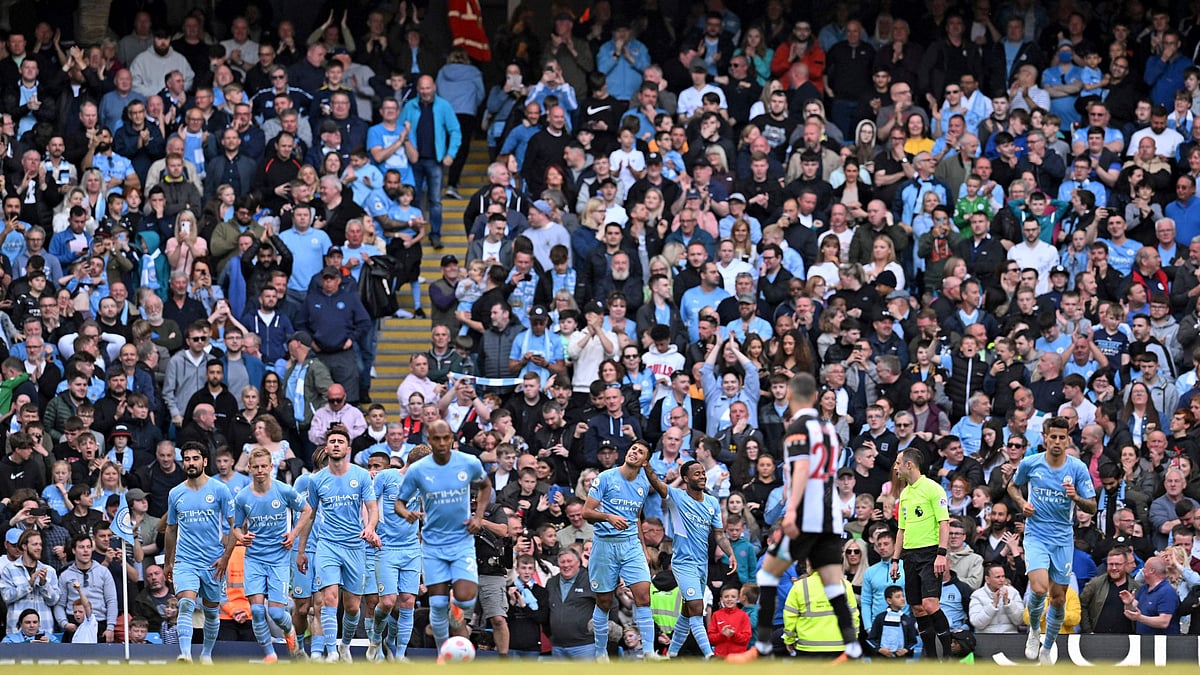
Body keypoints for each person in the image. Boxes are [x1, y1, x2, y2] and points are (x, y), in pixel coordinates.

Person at [728, 373, 860, 663]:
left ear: (789, 396)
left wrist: (791, 511)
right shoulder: (827, 429)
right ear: (815, 397)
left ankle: (761, 645)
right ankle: (851, 646)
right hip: (830, 519)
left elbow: (801, 470)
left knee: (767, 573)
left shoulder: (798, 428)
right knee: (832, 582)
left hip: (807, 518)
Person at [394, 420, 490, 649]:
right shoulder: (418, 470)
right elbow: (399, 501)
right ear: (429, 439)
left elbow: (486, 486)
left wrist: (478, 517)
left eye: (446, 437)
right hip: (433, 545)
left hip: (461, 540)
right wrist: (405, 512)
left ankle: (455, 614)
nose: (442, 442)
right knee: (436, 605)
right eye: (436, 439)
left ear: (452, 439)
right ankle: (442, 652)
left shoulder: (468, 462)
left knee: (467, 597)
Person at [1008, 415, 1097, 663]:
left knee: (1058, 598)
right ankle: (1035, 629)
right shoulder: (1030, 463)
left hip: (1063, 537)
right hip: (1036, 534)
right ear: (1045, 438)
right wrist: (1022, 503)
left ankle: (1047, 647)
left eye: (1062, 437)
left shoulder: (1077, 468)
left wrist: (1076, 498)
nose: (1057, 442)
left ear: (1068, 440)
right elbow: (1012, 487)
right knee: (1038, 587)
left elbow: (1092, 507)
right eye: (1053, 437)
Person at [296, 426, 379, 662]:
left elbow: (373, 510)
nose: (335, 444)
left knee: (352, 607)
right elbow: (309, 516)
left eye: (340, 441)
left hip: (354, 546)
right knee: (329, 597)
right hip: (327, 545)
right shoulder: (317, 480)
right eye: (331, 441)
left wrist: (370, 527)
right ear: (326, 447)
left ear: (348, 448)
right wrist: (301, 551)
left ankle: (344, 645)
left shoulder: (361, 476)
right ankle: (331, 652)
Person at [582, 438, 663, 660]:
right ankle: (600, 652)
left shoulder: (643, 483)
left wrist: (644, 548)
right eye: (633, 449)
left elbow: (636, 515)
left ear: (645, 461)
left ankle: (648, 651)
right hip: (605, 545)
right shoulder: (606, 477)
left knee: (643, 596)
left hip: (630, 545)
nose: (634, 453)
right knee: (605, 601)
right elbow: (586, 512)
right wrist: (608, 516)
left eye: (640, 452)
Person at [232, 447, 311, 662]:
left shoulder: (284, 490)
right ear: (249, 468)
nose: (259, 470)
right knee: (257, 611)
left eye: (263, 466)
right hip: (255, 558)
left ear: (271, 467)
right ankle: (270, 655)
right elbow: (236, 526)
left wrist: (294, 533)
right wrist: (241, 537)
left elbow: (307, 510)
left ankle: (290, 634)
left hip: (278, 558)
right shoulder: (242, 497)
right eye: (255, 467)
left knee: (276, 613)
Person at [164, 442, 235, 663]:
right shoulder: (175, 493)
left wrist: (225, 558)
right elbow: (171, 528)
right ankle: (185, 654)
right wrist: (169, 561)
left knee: (212, 612)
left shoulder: (219, 490)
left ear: (204, 461)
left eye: (195, 459)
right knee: (185, 602)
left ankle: (206, 654)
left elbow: (235, 525)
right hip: (186, 560)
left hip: (213, 562)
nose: (191, 463)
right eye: (186, 459)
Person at [663, 461, 737, 659]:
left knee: (688, 610)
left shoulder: (712, 502)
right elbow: (658, 486)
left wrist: (730, 553)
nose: (703, 476)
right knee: (697, 606)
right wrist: (645, 465)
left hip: (701, 564)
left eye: (703, 473)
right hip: (682, 562)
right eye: (697, 474)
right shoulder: (677, 497)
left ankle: (671, 654)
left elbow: (719, 534)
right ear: (686, 478)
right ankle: (708, 655)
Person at [890, 447, 953, 661]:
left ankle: (948, 655)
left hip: (930, 553)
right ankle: (932, 658)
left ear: (909, 465)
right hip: (909, 555)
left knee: (930, 604)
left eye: (898, 463)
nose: (895, 467)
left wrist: (941, 553)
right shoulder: (905, 494)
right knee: (917, 608)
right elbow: (901, 529)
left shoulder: (933, 489)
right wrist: (895, 560)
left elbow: (944, 522)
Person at [368, 443, 429, 661]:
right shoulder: (387, 477)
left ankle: (399, 653)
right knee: (387, 602)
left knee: (408, 601)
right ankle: (376, 637)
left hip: (411, 548)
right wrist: (370, 529)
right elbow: (369, 504)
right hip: (386, 546)